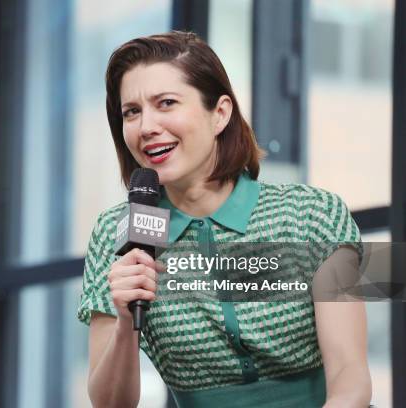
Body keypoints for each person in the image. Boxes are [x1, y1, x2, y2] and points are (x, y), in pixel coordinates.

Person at [77, 31, 371, 408]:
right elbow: (110, 404)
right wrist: (124, 321)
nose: (146, 126)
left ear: (220, 113)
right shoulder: (113, 233)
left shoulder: (315, 215)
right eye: (131, 111)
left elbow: (351, 381)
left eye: (165, 103)